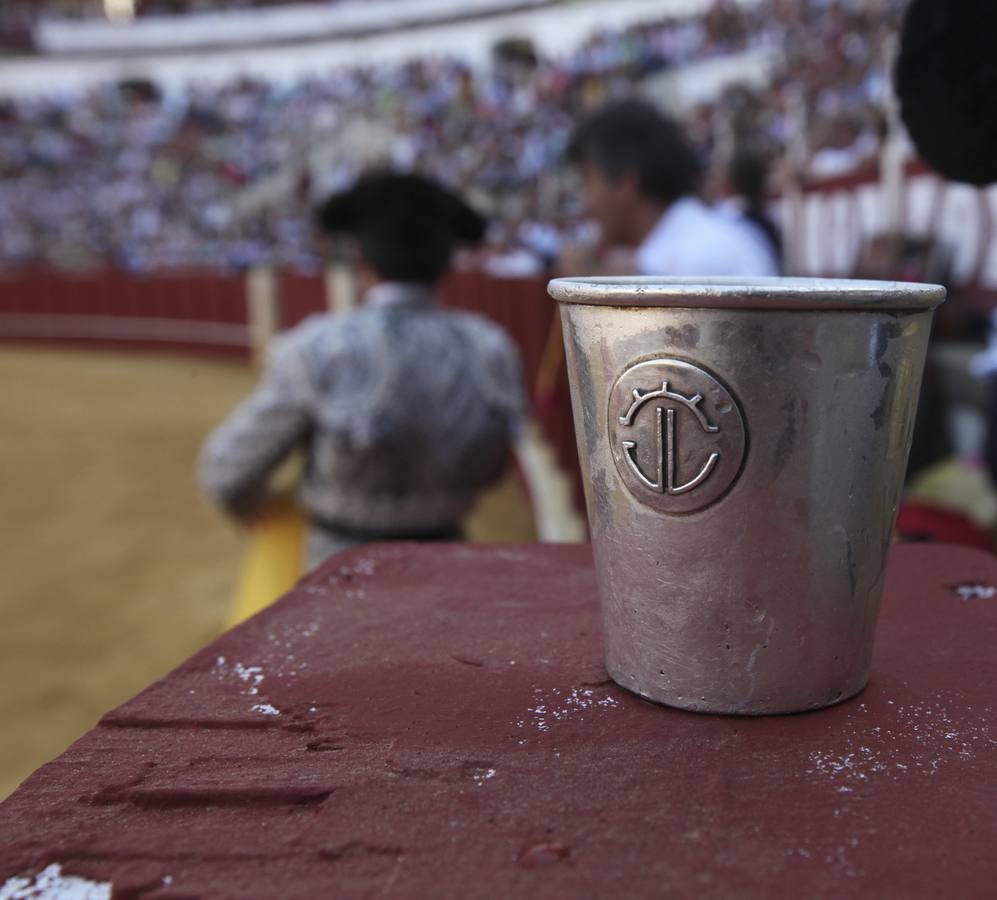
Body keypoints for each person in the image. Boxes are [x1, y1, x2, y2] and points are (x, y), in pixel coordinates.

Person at [198, 172, 527, 569]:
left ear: (361, 261)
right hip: (451, 562)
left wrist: (256, 509)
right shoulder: (489, 349)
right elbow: (496, 467)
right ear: (446, 265)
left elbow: (226, 471)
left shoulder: (318, 348)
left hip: (339, 567)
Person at [562, 98, 778, 277]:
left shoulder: (695, 261)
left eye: (587, 182)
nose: (585, 206)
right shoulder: (695, 245)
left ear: (626, 184)